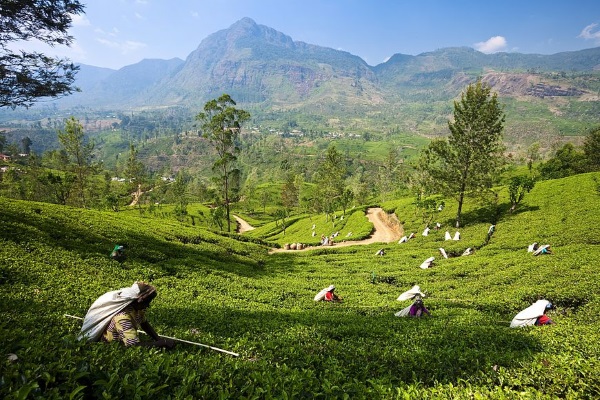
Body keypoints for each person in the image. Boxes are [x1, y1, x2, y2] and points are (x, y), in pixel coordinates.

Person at [79, 281, 175, 348]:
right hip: (114, 345)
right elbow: (133, 346)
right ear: (137, 301)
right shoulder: (122, 317)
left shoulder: (137, 309)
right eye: (147, 302)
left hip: (125, 339)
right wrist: (162, 343)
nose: (148, 305)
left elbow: (144, 324)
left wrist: (158, 339)